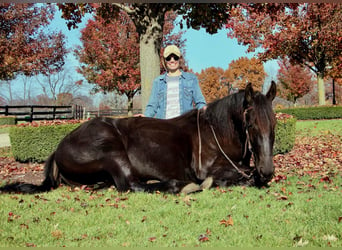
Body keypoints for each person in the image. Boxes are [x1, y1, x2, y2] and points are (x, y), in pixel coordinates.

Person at [144, 44, 206, 119]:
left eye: (175, 57)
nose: (172, 60)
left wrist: (205, 111)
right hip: (164, 126)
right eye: (168, 58)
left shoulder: (191, 79)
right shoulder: (158, 82)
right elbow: (152, 106)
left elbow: (200, 103)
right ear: (164, 60)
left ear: (180, 59)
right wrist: (144, 117)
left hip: (184, 125)